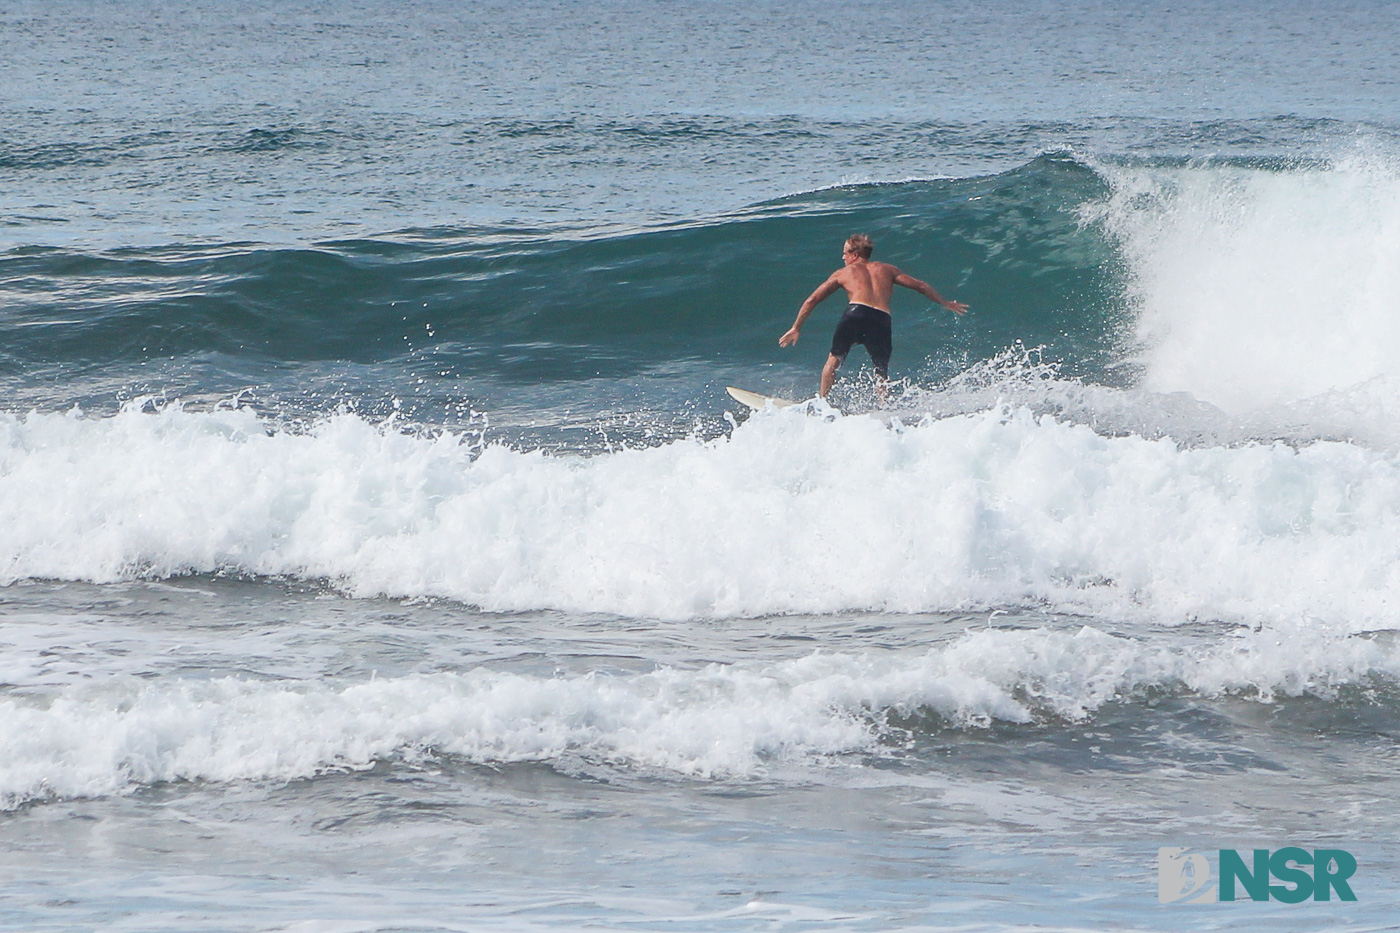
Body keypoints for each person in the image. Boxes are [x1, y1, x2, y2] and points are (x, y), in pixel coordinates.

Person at [779, 234, 967, 398]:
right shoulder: (887, 269)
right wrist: (945, 303)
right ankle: (883, 406)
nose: (842, 257)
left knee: (834, 359)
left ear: (854, 255)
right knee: (881, 372)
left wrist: (796, 327)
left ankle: (822, 403)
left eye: (845, 253)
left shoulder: (844, 272)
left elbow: (812, 299)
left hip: (855, 314)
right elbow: (921, 286)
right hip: (881, 319)